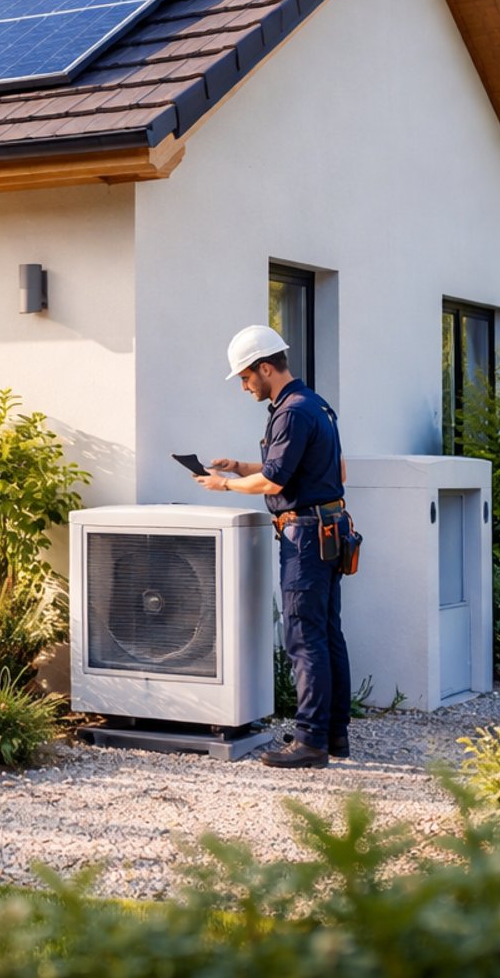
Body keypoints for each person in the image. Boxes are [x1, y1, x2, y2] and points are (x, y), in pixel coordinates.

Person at [194, 323, 351, 768]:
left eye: (245, 377)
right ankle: (332, 735)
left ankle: (309, 743)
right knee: (327, 634)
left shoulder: (292, 412)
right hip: (329, 530)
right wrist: (240, 465)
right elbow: (313, 469)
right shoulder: (314, 404)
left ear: (266, 368)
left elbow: (276, 479)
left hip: (305, 536)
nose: (244, 386)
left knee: (303, 638)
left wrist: (225, 485)